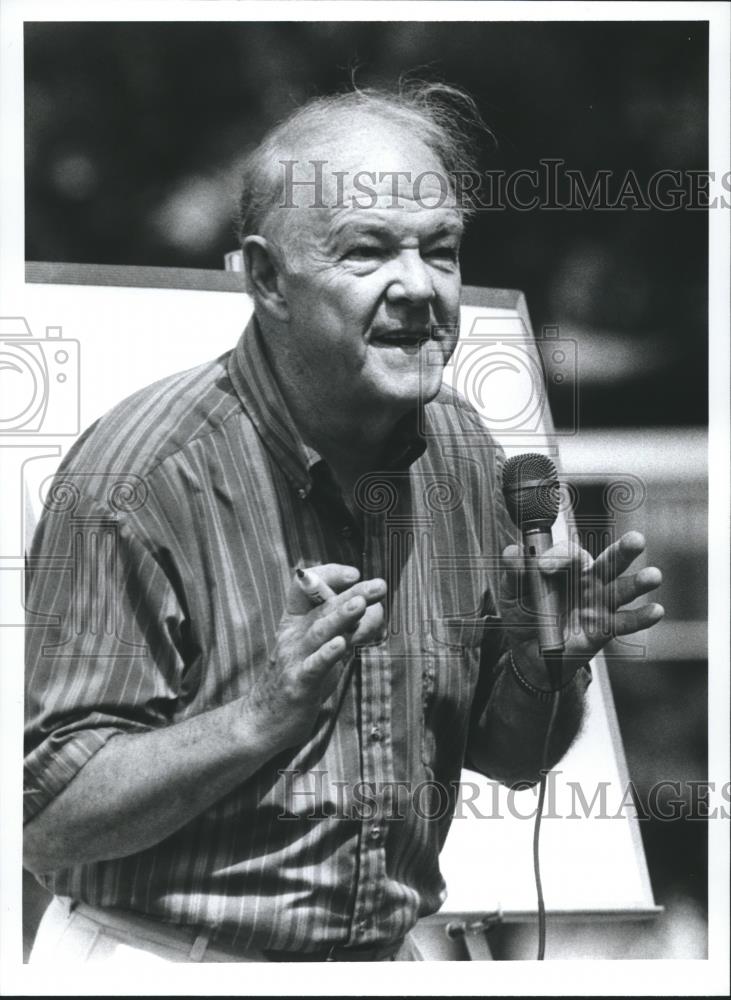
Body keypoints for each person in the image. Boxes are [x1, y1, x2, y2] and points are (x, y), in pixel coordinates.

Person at [23, 84, 664, 964]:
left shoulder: (464, 453)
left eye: (439, 251)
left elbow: (514, 760)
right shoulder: (140, 478)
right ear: (265, 279)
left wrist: (539, 663)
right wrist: (262, 715)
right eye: (368, 253)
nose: (419, 288)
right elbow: (46, 821)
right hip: (162, 959)